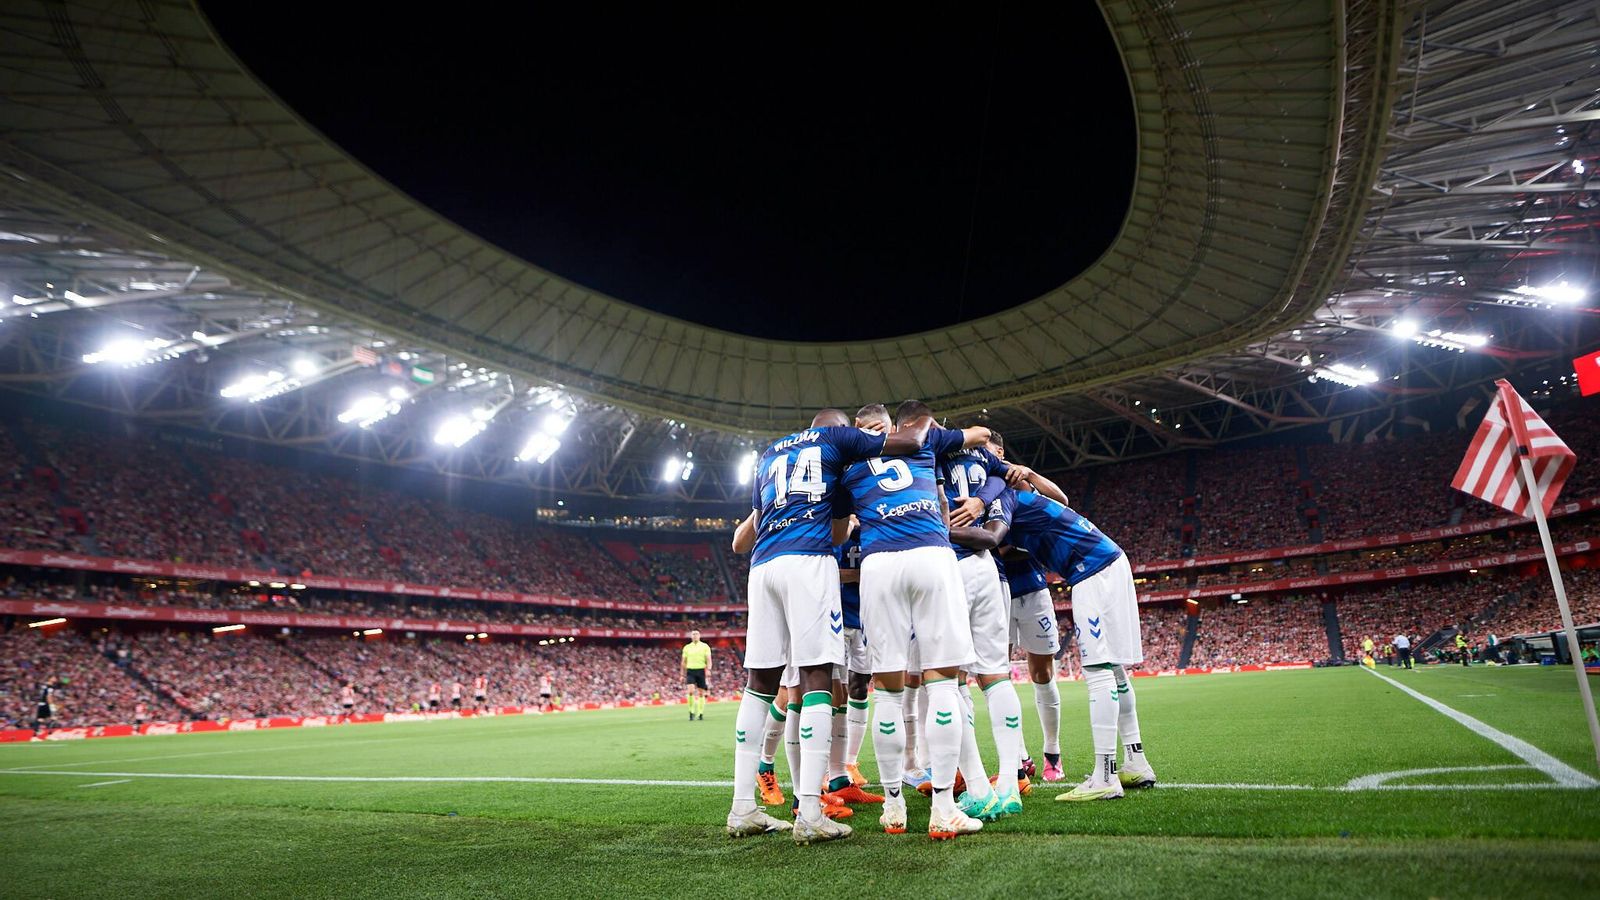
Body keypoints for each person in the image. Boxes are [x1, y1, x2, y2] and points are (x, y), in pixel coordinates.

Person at [724, 407, 928, 844]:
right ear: (839, 428)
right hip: (806, 562)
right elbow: (909, 444)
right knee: (819, 677)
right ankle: (811, 812)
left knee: (759, 682)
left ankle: (742, 807)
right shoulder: (838, 441)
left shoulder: (769, 453)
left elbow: (756, 524)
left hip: (763, 568)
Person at [839, 400, 992, 839]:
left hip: (879, 564)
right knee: (942, 682)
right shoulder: (921, 441)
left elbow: (835, 532)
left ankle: (893, 806)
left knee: (886, 690)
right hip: (930, 553)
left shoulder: (849, 464)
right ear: (891, 427)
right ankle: (943, 808)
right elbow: (980, 435)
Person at [1001, 489, 1156, 802]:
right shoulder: (1025, 497)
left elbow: (991, 541)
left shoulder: (1004, 500)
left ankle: (1105, 775)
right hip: (1111, 560)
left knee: (1098, 671)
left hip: (1091, 571)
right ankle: (1136, 760)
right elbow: (1060, 501)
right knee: (1114, 669)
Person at [682, 630, 711, 721]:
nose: (695, 636)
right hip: (690, 670)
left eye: (696, 634)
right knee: (690, 691)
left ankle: (700, 713)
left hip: (701, 670)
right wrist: (682, 674)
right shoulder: (687, 647)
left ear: (699, 636)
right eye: (693, 634)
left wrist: (708, 669)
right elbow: (683, 661)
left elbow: (708, 659)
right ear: (691, 636)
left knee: (701, 693)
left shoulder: (705, 646)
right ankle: (691, 711)